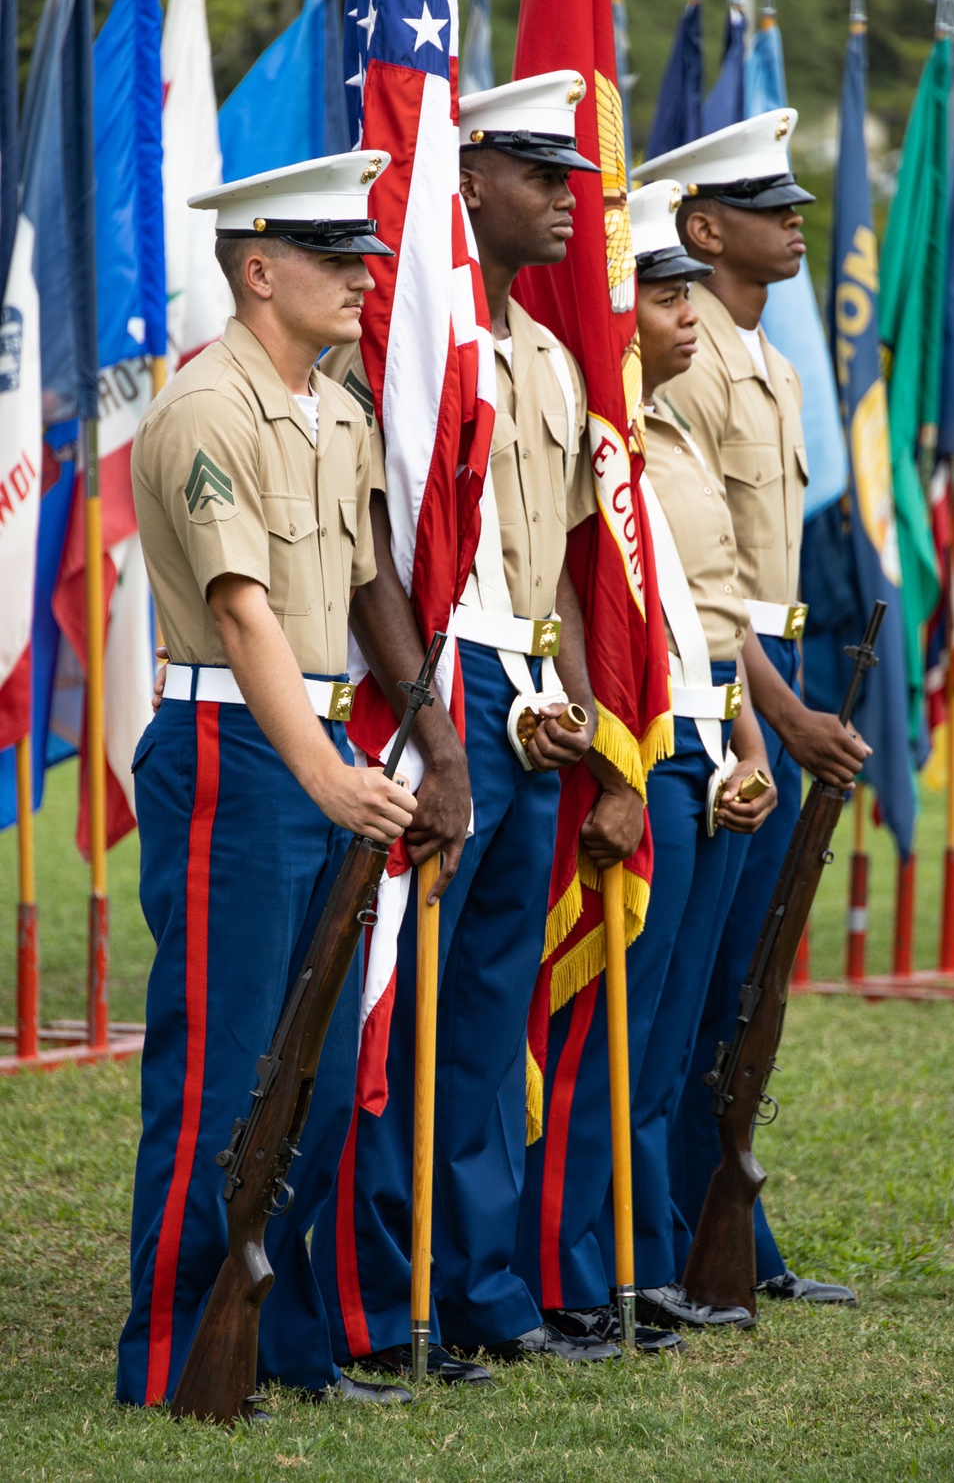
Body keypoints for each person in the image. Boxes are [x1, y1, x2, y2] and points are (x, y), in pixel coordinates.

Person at [309, 71, 640, 1379]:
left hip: (526, 695)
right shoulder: (405, 351)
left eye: (571, 177)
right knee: (406, 1009)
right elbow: (379, 546)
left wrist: (582, 709)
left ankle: (482, 1285)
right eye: (541, 175)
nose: (569, 199)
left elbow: (561, 563)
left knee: (491, 1018)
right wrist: (448, 715)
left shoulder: (552, 358)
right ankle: (383, 1301)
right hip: (430, 689)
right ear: (470, 178)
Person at [117, 154, 419, 1410]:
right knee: (222, 1063)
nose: (362, 278)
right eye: (335, 258)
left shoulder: (335, 411)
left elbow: (353, 597)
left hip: (317, 747)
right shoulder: (205, 410)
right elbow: (243, 617)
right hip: (235, 754)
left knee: (313, 1060)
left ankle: (278, 1335)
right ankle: (176, 1353)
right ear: (259, 271)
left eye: (363, 254)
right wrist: (327, 777)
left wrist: (370, 758)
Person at [514, 178, 778, 1343]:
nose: (685, 315)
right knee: (608, 1031)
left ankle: (631, 1255)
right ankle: (575, 1272)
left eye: (684, 293)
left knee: (666, 1034)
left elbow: (696, 618)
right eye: (660, 295)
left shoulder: (652, 435)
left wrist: (740, 738)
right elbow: (591, 603)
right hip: (635, 745)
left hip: (696, 733)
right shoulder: (611, 444)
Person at [633, 111, 869, 1305]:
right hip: (738, 692)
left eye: (794, 206)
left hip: (761, 681)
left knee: (745, 984)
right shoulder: (692, 367)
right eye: (767, 209)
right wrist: (776, 719)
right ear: (699, 227)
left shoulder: (767, 362)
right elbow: (700, 590)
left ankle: (724, 1238)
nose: (794, 223)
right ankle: (678, 1235)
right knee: (707, 982)